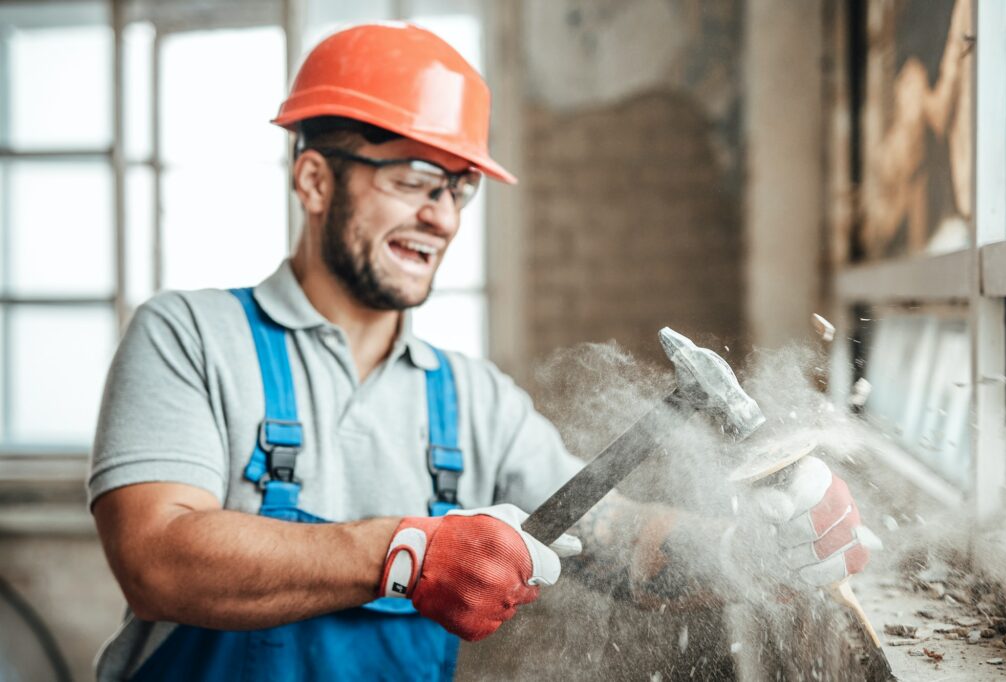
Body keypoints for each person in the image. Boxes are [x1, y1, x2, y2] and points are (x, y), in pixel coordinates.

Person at [89, 22, 871, 682]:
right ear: (315, 179)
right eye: (415, 178)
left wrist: (752, 552)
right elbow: (156, 558)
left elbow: (617, 539)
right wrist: (405, 554)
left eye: (459, 188)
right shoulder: (189, 337)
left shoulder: (470, 400)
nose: (440, 216)